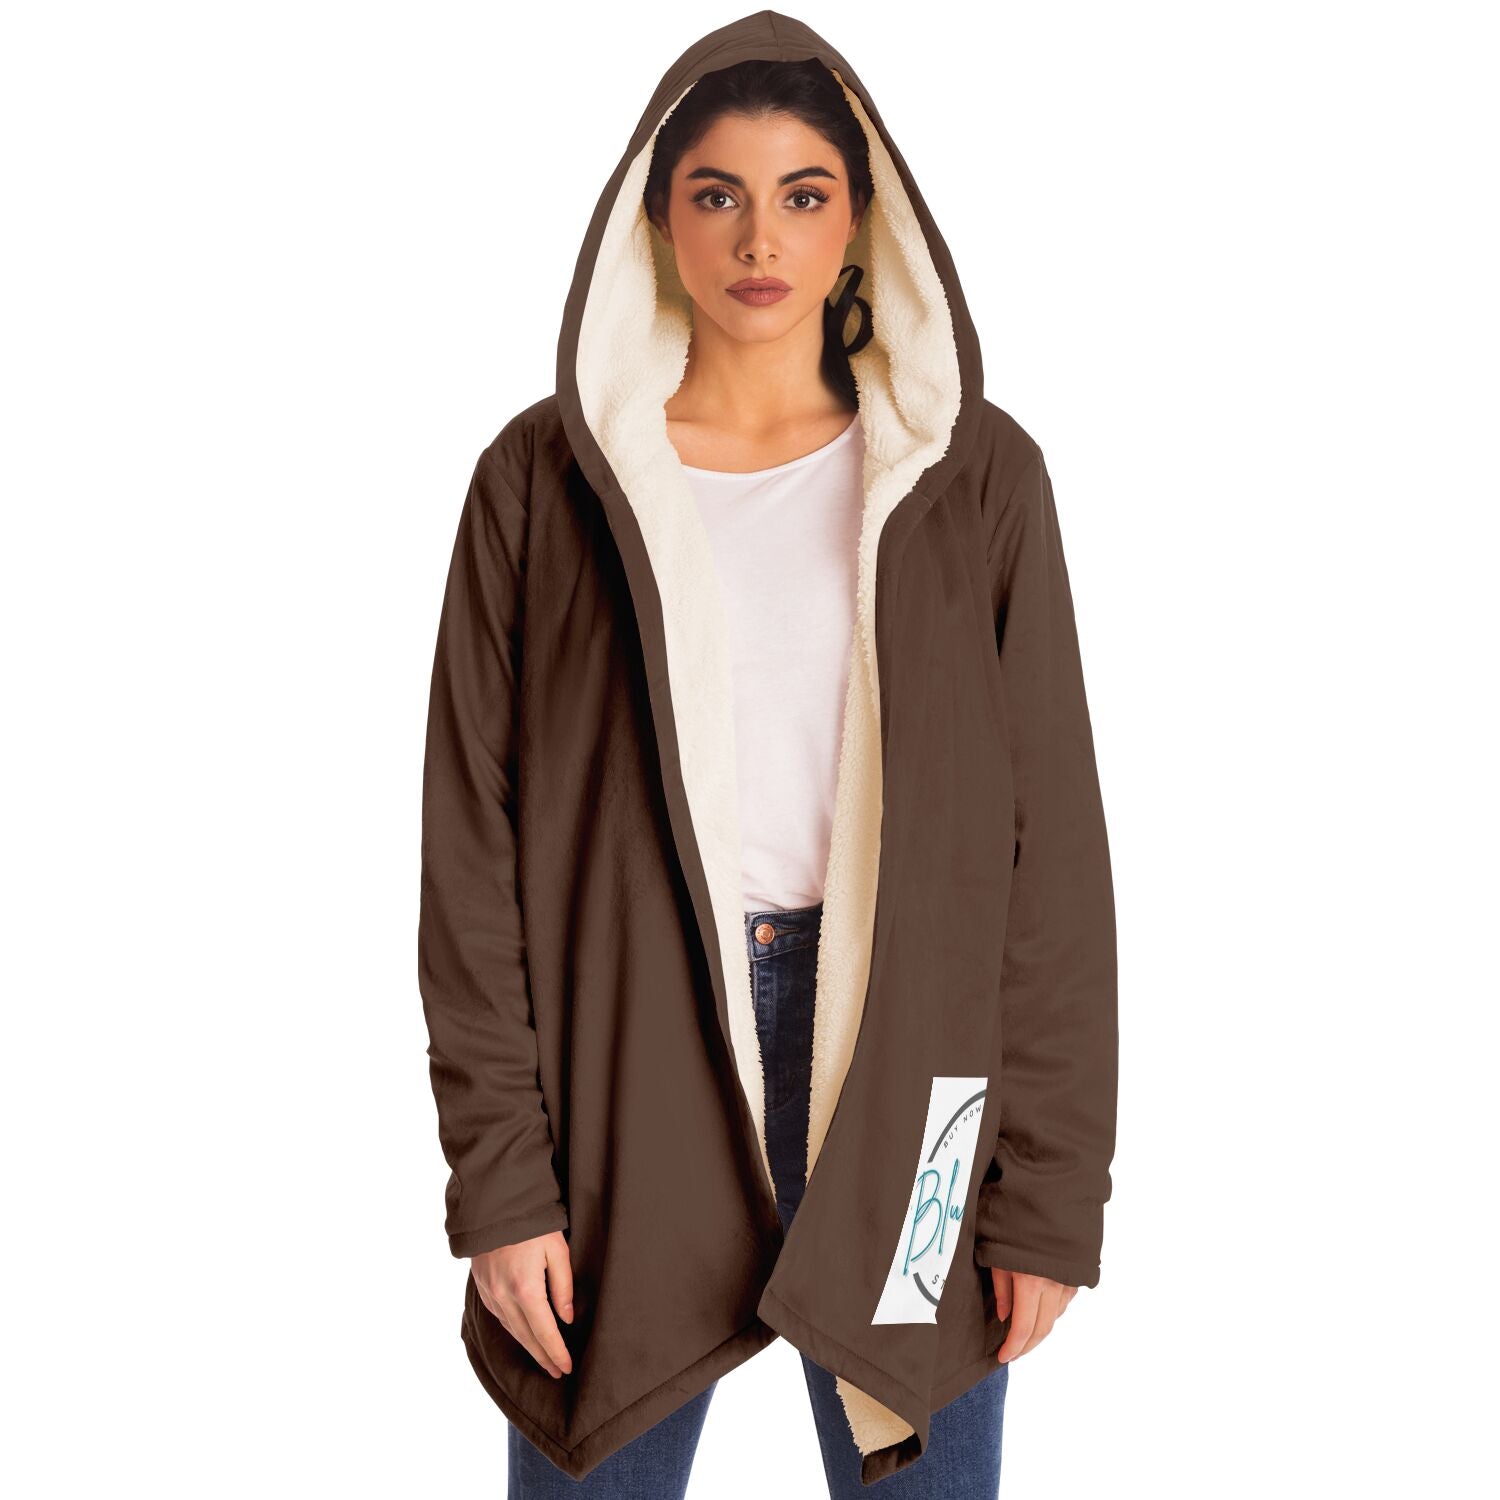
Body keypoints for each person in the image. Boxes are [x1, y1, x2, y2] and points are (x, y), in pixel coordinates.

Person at [417, 12, 1117, 1498]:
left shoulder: (973, 478)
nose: (759, 237)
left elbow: (1051, 854)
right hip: (626, 1071)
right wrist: (503, 1182)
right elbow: (472, 848)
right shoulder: (543, 483)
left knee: (920, 1466)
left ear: (860, 222)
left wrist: (1048, 1196)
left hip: (916, 1080)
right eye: (717, 193)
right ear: (657, 220)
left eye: (804, 193)